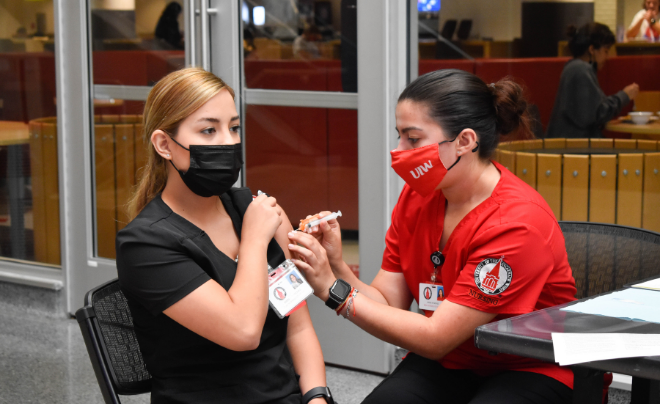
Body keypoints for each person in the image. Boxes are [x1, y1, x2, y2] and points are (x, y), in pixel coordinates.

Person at [287, 69, 598, 404]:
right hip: (452, 361)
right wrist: (337, 266)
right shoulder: (419, 196)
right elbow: (388, 304)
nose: (399, 150)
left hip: (527, 365)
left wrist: (332, 292)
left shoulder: (517, 223)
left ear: (465, 141)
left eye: (413, 138)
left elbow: (436, 337)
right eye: (399, 136)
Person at [116, 67, 331, 404]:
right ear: (164, 145)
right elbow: (243, 331)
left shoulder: (253, 208)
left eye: (233, 128)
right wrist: (256, 241)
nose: (228, 143)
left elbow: (298, 326)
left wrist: (318, 397)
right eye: (208, 130)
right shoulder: (145, 244)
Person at [547, 23, 639, 139]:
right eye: (606, 51)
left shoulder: (574, 68)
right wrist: (624, 96)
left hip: (569, 145)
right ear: (592, 49)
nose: (607, 57)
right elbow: (597, 113)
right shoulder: (581, 70)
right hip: (575, 149)